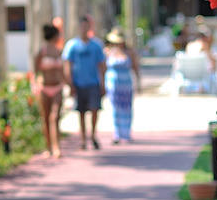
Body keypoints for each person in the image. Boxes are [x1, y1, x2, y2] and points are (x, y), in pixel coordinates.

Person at [62, 15, 106, 150]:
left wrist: (103, 84)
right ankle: (82, 139)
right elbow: (67, 64)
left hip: (93, 83)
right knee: (81, 112)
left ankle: (92, 135)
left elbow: (102, 65)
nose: (84, 28)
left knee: (94, 110)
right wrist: (70, 83)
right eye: (82, 26)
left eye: (86, 26)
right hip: (79, 83)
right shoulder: (72, 45)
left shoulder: (96, 45)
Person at [104, 29, 142, 144]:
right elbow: (102, 67)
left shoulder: (129, 52)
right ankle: (117, 133)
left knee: (127, 107)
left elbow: (135, 67)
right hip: (113, 83)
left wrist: (139, 82)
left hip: (126, 84)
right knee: (115, 108)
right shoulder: (108, 51)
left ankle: (126, 132)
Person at [34, 23, 66, 158]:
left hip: (57, 87)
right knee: (46, 118)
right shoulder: (42, 52)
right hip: (45, 88)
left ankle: (56, 146)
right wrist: (37, 83)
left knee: (55, 117)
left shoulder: (59, 51)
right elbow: (36, 70)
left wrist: (67, 84)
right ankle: (48, 147)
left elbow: (63, 70)